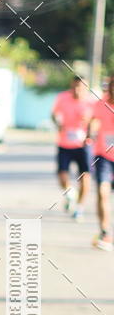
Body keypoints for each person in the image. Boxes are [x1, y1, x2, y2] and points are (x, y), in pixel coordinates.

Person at [51, 75, 92, 220]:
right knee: (62, 175)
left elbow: (98, 121)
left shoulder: (91, 103)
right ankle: (69, 194)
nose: (76, 90)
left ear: (86, 88)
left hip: (84, 145)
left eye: (80, 87)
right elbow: (54, 114)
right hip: (64, 144)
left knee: (85, 177)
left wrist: (90, 132)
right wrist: (58, 122)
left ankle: (79, 208)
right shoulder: (62, 98)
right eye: (74, 86)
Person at [87, 76, 114, 251]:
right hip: (104, 156)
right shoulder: (100, 104)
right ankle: (105, 232)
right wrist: (90, 132)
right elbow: (94, 121)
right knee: (102, 193)